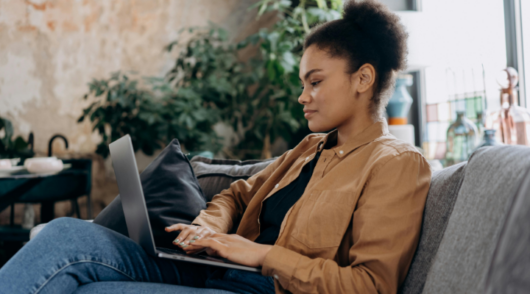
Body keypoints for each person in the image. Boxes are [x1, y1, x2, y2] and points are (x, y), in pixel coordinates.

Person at [0, 1, 431, 293]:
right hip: (218, 272)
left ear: (363, 79)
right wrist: (210, 227)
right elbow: (236, 193)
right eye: (303, 83)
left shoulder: (395, 164)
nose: (302, 96)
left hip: (260, 287)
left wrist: (261, 253)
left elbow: (371, 286)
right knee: (63, 235)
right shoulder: (308, 150)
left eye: (315, 82)